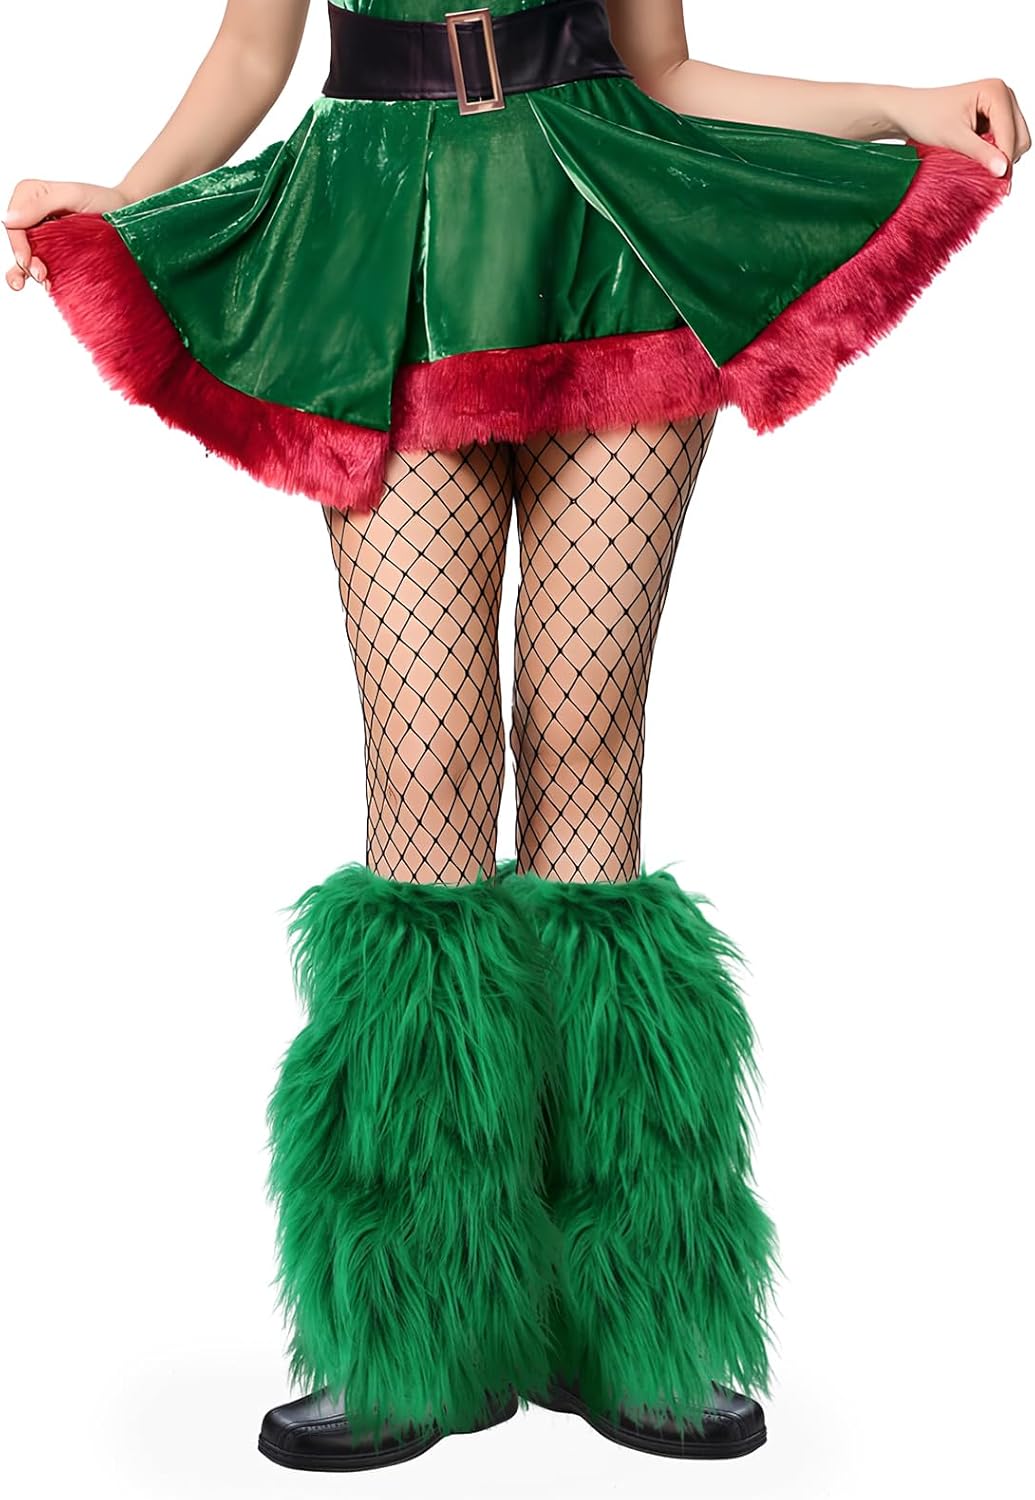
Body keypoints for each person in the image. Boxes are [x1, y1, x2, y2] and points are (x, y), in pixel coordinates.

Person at [6, 0, 1028, 1475]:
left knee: (586, 741)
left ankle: (632, 1312)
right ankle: (415, 1320)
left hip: (607, 231)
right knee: (424, 769)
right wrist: (124, 197)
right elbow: (252, 53)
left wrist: (900, 106)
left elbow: (665, 66)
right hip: (382, 251)